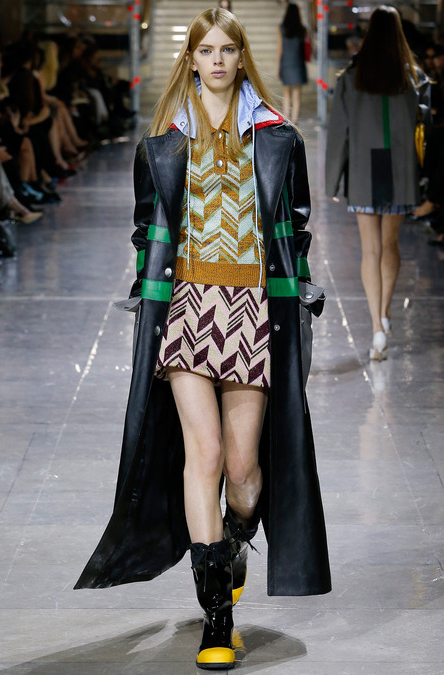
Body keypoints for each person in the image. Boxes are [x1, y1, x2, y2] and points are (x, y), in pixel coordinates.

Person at [74, 7, 331, 671]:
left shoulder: (278, 138)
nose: (217, 60)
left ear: (242, 57)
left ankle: (234, 541)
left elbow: (296, 226)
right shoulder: (162, 144)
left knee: (243, 472)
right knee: (206, 455)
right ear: (190, 59)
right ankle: (218, 618)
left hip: (252, 310)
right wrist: (149, 297)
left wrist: (297, 293)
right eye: (206, 50)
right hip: (187, 308)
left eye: (227, 49)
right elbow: (146, 230)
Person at [325, 5, 430, 360]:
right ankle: (384, 312)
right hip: (400, 170)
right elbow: (425, 126)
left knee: (370, 250)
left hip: (364, 171)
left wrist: (331, 182)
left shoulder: (351, 78)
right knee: (390, 245)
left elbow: (339, 133)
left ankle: (376, 329)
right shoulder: (412, 78)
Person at [277, 1, 308, 123]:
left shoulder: (281, 28)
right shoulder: (302, 29)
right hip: (298, 63)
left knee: (286, 92)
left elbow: (280, 49)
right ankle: (295, 120)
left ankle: (286, 118)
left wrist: (278, 67)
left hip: (286, 63)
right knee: (297, 94)